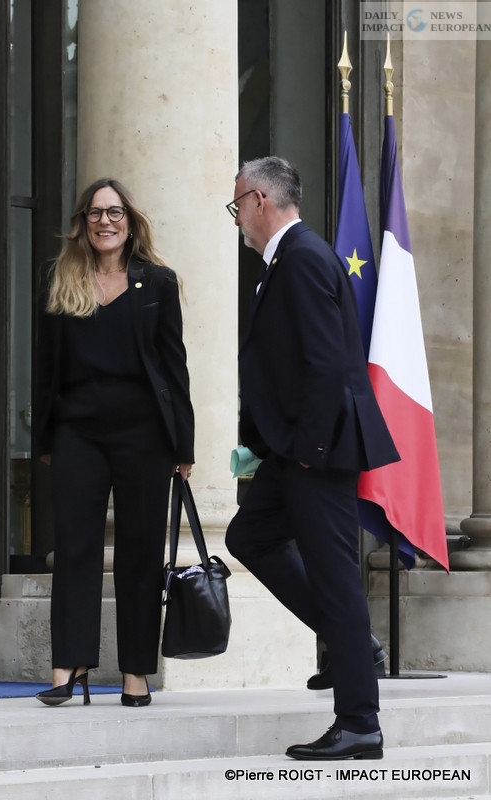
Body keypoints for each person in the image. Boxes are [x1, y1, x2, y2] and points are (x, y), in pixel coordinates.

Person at [224, 157, 400, 760]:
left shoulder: (300, 258)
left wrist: (308, 453)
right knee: (250, 535)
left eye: (237, 205)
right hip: (296, 446)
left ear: (260, 202)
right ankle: (350, 642)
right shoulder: (284, 261)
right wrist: (261, 443)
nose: (237, 218)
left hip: (316, 450)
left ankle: (359, 722)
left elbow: (326, 364)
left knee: (334, 577)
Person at [34, 177, 194, 707]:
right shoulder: (59, 279)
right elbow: (46, 368)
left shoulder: (159, 282)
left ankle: (135, 674)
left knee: (139, 552)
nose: (106, 222)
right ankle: (68, 666)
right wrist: (46, 438)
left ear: (130, 223)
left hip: (144, 435)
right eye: (96, 213)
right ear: (82, 222)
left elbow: (175, 367)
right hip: (77, 431)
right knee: (75, 548)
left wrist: (183, 446)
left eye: (115, 213)